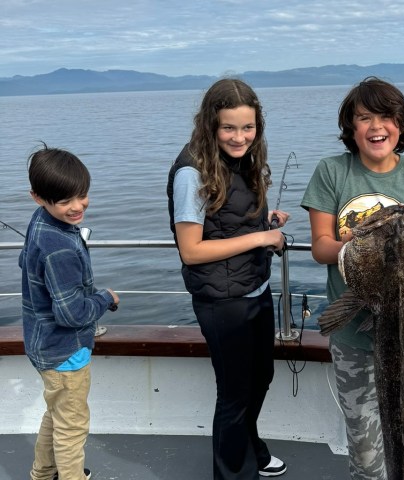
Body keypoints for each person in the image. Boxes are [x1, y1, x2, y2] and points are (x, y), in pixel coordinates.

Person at [301, 76, 404, 479]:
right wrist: (350, 245)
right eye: (364, 117)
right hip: (353, 335)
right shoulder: (332, 172)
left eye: (386, 116)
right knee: (366, 446)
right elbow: (320, 247)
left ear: (400, 125)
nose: (376, 126)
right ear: (351, 128)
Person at [167, 78, 288, 479]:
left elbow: (228, 221)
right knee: (234, 395)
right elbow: (192, 249)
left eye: (248, 127)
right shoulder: (191, 172)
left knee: (261, 379)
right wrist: (262, 236)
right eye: (229, 128)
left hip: (256, 287)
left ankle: (252, 450)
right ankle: (233, 474)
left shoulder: (240, 160)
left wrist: (266, 220)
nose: (240, 137)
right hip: (223, 302)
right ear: (210, 125)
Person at [20, 145, 119, 480]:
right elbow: (72, 314)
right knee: (72, 428)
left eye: (82, 195)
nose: (77, 207)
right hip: (66, 352)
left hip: (41, 344)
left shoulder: (42, 220)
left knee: (56, 414)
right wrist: (104, 298)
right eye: (65, 201)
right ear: (38, 197)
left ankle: (42, 473)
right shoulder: (59, 246)